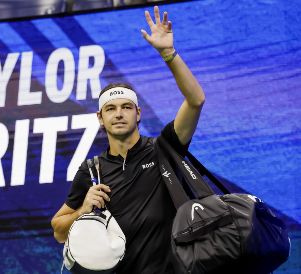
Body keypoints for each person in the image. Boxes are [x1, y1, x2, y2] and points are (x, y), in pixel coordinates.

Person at [51, 5, 205, 274]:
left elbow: (196, 100)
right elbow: (58, 230)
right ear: (101, 118)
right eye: (110, 109)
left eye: (126, 107)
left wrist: (168, 54)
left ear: (138, 113)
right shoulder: (92, 170)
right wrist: (82, 210)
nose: (118, 114)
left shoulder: (164, 149)